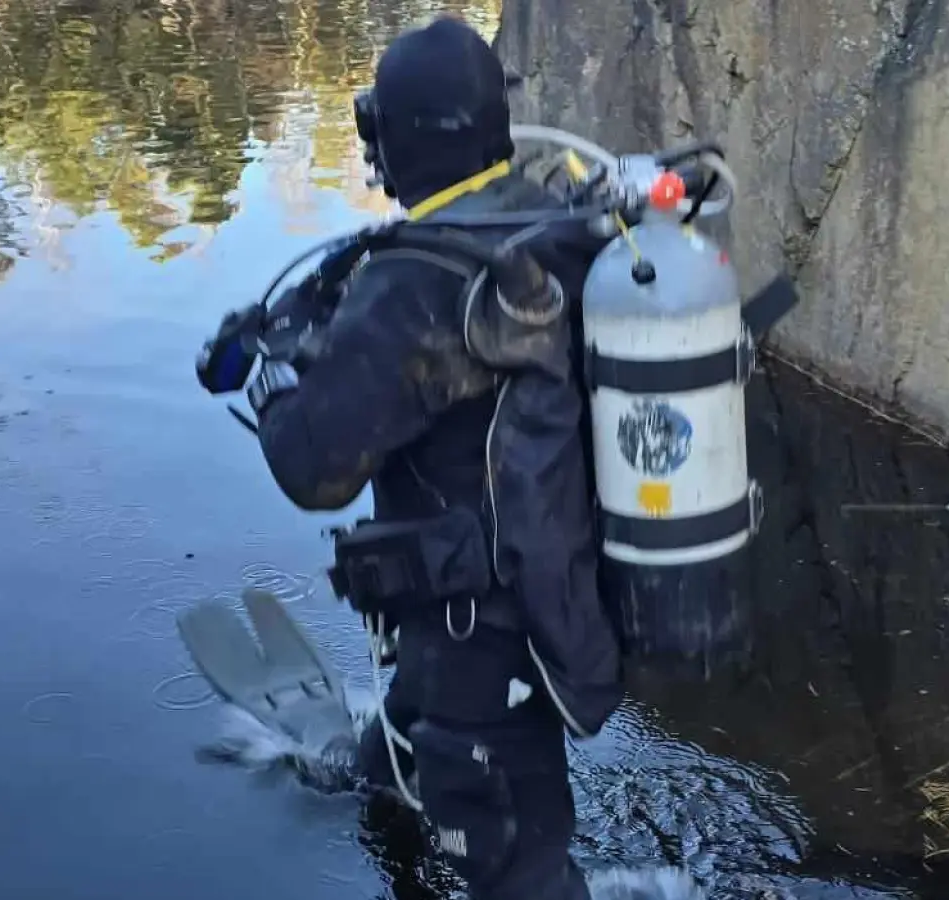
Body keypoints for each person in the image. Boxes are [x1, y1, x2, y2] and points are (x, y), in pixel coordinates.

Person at [216, 16, 626, 900]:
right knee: (410, 753)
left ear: (397, 137)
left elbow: (314, 470)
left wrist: (276, 379)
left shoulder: (415, 280)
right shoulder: (551, 219)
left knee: (516, 871)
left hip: (482, 626)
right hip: (554, 586)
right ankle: (386, 781)